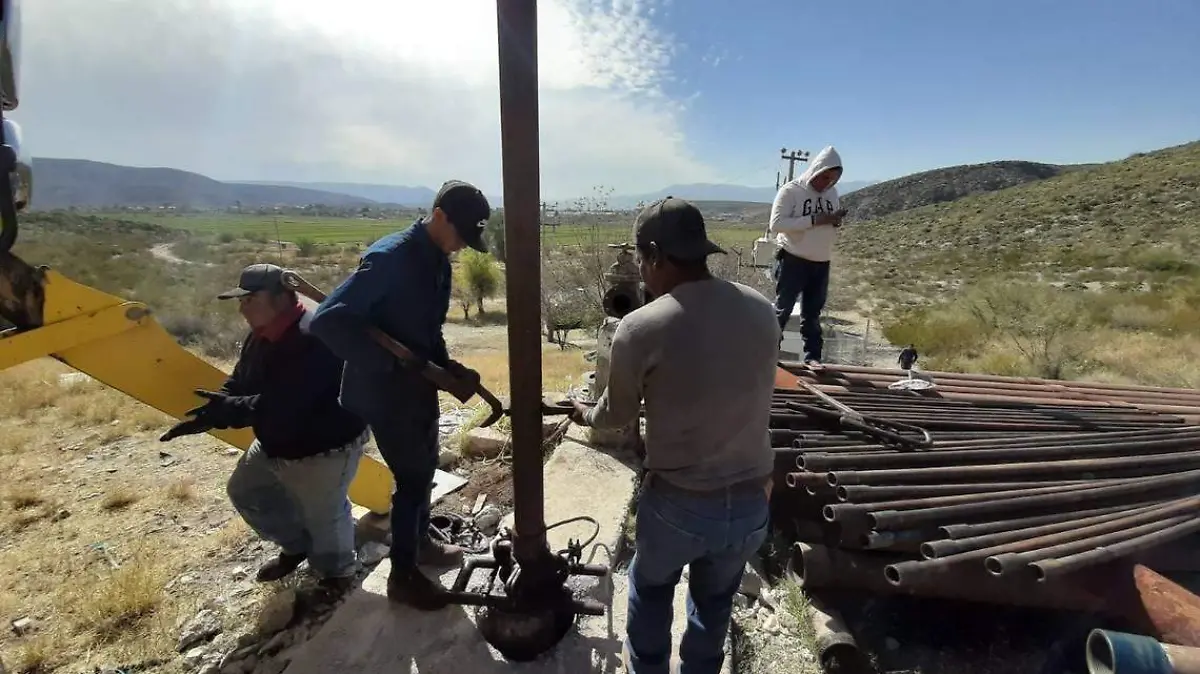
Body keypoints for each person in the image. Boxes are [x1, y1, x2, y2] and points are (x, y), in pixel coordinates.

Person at [570, 197, 779, 674]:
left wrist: (583, 414)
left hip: (680, 504)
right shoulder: (762, 311)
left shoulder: (640, 327)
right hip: (751, 503)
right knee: (713, 604)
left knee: (650, 588)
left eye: (642, 260)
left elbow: (616, 414)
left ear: (655, 256)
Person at [308, 180, 489, 611]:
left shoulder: (438, 261)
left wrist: (446, 367)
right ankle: (402, 576)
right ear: (439, 216)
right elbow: (328, 323)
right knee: (411, 480)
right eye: (460, 232)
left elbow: (425, 332)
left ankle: (420, 543)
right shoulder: (390, 258)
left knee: (423, 470)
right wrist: (392, 366)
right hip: (384, 391)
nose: (462, 244)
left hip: (416, 388)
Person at [160, 263, 369, 592]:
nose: (241, 308)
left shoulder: (313, 336)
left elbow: (287, 405)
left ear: (282, 297)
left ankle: (338, 576)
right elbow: (242, 378)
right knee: (247, 491)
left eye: (249, 298)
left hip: (324, 446)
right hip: (279, 440)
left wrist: (227, 412)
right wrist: (216, 407)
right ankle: (297, 545)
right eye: (240, 300)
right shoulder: (262, 334)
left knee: (325, 517)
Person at [768, 145, 846, 366]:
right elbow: (776, 224)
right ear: (815, 170)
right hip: (793, 258)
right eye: (824, 177)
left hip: (821, 261)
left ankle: (813, 356)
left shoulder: (832, 193)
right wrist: (813, 220)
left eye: (832, 180)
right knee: (782, 309)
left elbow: (827, 219)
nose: (827, 183)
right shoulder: (791, 191)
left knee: (812, 313)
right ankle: (770, 352)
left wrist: (834, 219)